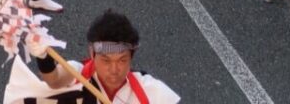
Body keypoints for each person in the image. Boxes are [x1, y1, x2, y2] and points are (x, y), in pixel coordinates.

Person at [18, 10, 179, 103]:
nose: (114, 69)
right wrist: (43, 57)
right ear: (91, 53)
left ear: (132, 56)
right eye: (106, 60)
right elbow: (54, 80)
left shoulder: (150, 90)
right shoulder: (77, 74)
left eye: (122, 60)